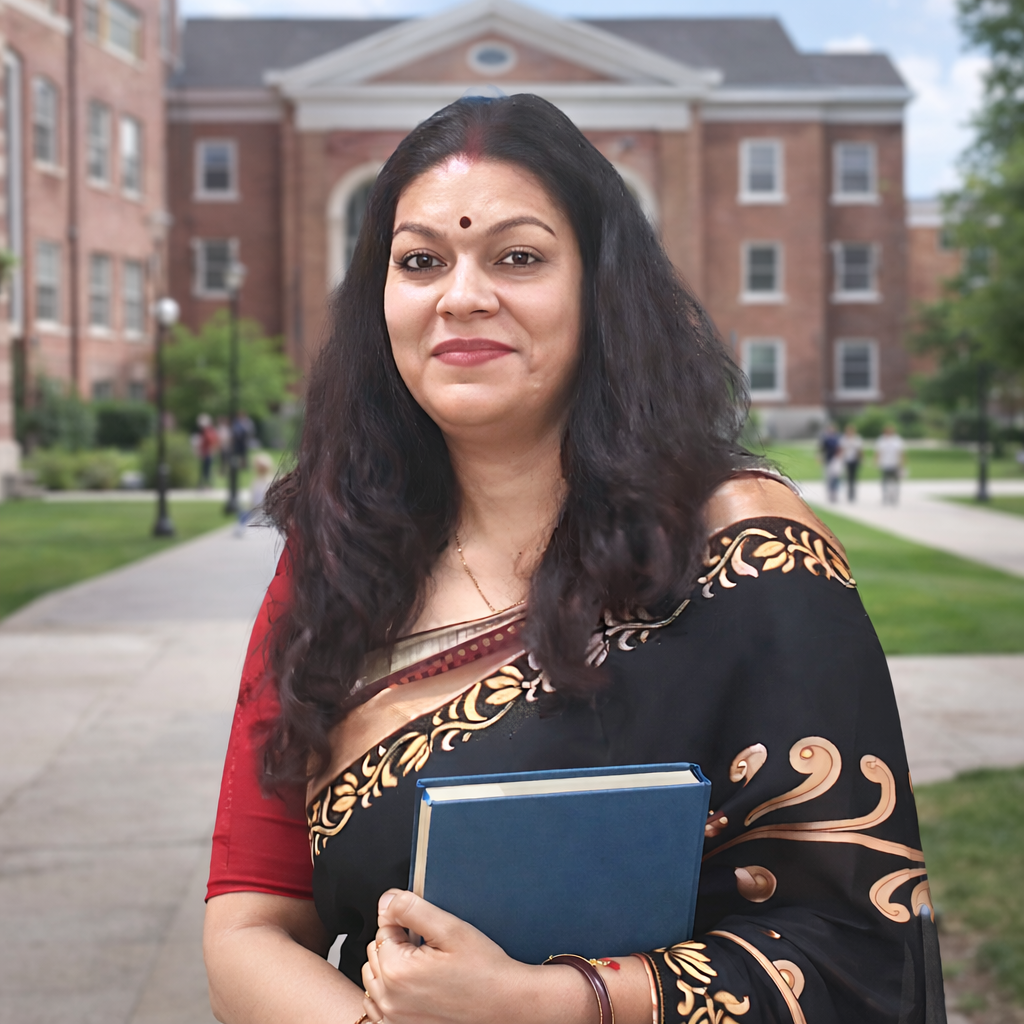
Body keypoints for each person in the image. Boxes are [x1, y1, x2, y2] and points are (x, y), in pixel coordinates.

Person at [203, 95, 943, 1024]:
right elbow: (248, 925)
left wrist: (552, 1002)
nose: (462, 296)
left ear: (600, 288)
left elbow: (858, 945)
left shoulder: (746, 550)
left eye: (518, 257)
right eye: (421, 261)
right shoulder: (334, 563)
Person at [233, 452, 273, 536]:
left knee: (246, 514)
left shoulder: (268, 480)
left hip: (265, 509)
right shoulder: (256, 481)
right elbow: (253, 498)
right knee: (242, 513)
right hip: (256, 508)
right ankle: (241, 526)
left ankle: (242, 527)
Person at [876, 424, 906, 505]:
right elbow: (879, 452)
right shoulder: (881, 440)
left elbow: (901, 452)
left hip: (895, 463)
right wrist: (877, 461)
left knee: (895, 481)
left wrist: (902, 463)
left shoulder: (897, 440)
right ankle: (885, 496)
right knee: (885, 481)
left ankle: (894, 497)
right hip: (885, 463)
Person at [838, 422, 864, 503]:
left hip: (854, 460)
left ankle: (853, 493)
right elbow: (841, 449)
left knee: (853, 477)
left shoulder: (857, 439)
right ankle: (849, 494)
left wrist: (861, 459)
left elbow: (859, 450)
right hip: (847, 460)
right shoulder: (844, 439)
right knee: (848, 477)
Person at [819, 421, 842, 502]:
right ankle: (830, 493)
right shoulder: (826, 439)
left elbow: (840, 449)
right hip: (828, 459)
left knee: (836, 477)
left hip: (835, 460)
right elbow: (822, 449)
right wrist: (820, 457)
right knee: (829, 478)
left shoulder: (838, 439)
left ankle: (835, 492)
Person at [196, 413, 220, 488]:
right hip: (207, 453)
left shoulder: (208, 431)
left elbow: (212, 441)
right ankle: (205, 484)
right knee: (206, 470)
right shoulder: (209, 431)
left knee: (206, 470)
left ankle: (206, 485)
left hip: (207, 453)